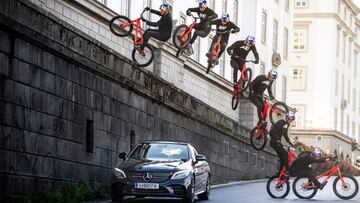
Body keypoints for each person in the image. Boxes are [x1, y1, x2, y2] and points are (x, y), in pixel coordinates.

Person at [269, 112, 296, 177]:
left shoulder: (286, 124)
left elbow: (285, 134)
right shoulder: (280, 122)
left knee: (282, 158)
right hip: (274, 142)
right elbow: (274, 132)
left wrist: (289, 142)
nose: (291, 121)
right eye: (290, 120)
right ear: (287, 118)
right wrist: (277, 140)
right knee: (285, 154)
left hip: (277, 142)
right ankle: (288, 170)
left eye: (291, 120)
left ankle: (279, 174)